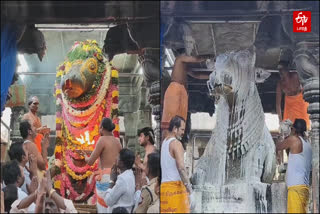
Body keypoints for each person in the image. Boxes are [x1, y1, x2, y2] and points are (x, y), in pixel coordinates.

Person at [161, 54, 213, 139]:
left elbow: (197, 75)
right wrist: (207, 57)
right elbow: (196, 59)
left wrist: (212, 75)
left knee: (177, 118)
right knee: (175, 118)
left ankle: (172, 137)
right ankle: (171, 138)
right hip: (174, 92)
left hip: (179, 92)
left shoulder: (184, 65)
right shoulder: (180, 59)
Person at [82, 117, 122, 213]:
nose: (99, 130)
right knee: (111, 207)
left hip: (105, 178)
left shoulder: (102, 139)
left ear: (103, 128)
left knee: (103, 208)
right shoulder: (117, 141)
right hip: (116, 177)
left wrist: (85, 157)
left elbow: (90, 161)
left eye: (100, 128)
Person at [276, 119, 312, 213]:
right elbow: (293, 156)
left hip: (295, 189)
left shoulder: (293, 140)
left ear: (294, 130)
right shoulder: (308, 143)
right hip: (304, 189)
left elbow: (278, 146)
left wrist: (282, 134)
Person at [160, 115, 192, 213]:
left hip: (165, 189)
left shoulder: (164, 143)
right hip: (175, 190)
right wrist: (190, 190)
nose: (183, 132)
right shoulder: (176, 143)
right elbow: (181, 168)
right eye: (182, 129)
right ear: (175, 128)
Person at [276, 61, 310, 130]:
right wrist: (280, 121)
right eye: (279, 70)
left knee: (304, 127)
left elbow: (307, 84)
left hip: (301, 104)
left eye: (282, 69)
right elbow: (278, 104)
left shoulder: (296, 76)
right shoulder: (280, 84)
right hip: (290, 107)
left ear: (287, 69)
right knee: (291, 128)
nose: (281, 72)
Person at [104, 148, 136, 213]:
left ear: (121, 163)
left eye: (117, 158)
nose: (115, 159)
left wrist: (112, 181)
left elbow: (108, 201)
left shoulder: (122, 179)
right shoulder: (130, 174)